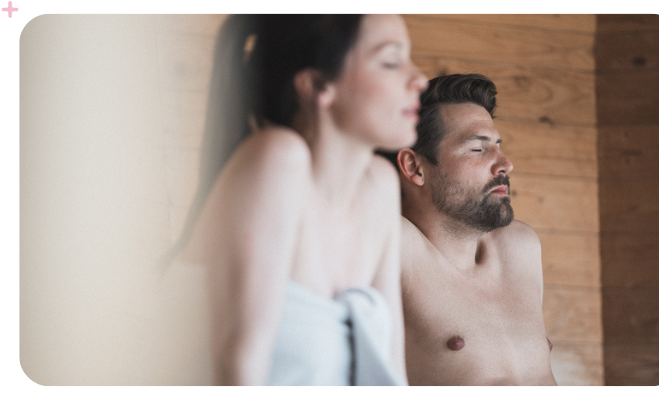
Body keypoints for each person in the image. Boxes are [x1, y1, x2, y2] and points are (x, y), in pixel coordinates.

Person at [173, 15, 428, 385]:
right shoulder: (278, 159)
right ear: (318, 86)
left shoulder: (380, 186)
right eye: (391, 61)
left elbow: (390, 372)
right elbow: (237, 365)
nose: (419, 79)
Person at [382, 74, 557, 385]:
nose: (505, 164)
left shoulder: (520, 247)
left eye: (498, 146)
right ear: (414, 167)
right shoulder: (394, 246)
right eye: (477, 149)